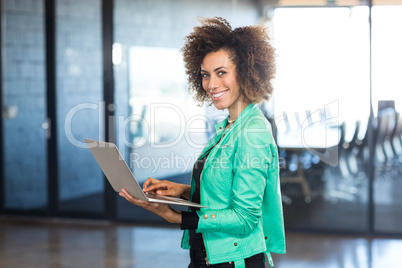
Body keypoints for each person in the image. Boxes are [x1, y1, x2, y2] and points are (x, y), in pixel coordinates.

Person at [119, 17, 286, 268]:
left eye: (221, 73)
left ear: (246, 72)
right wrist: (180, 191)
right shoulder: (227, 127)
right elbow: (225, 192)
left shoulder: (253, 132)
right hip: (208, 256)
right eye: (206, 75)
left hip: (233, 260)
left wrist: (177, 218)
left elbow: (245, 218)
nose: (211, 84)